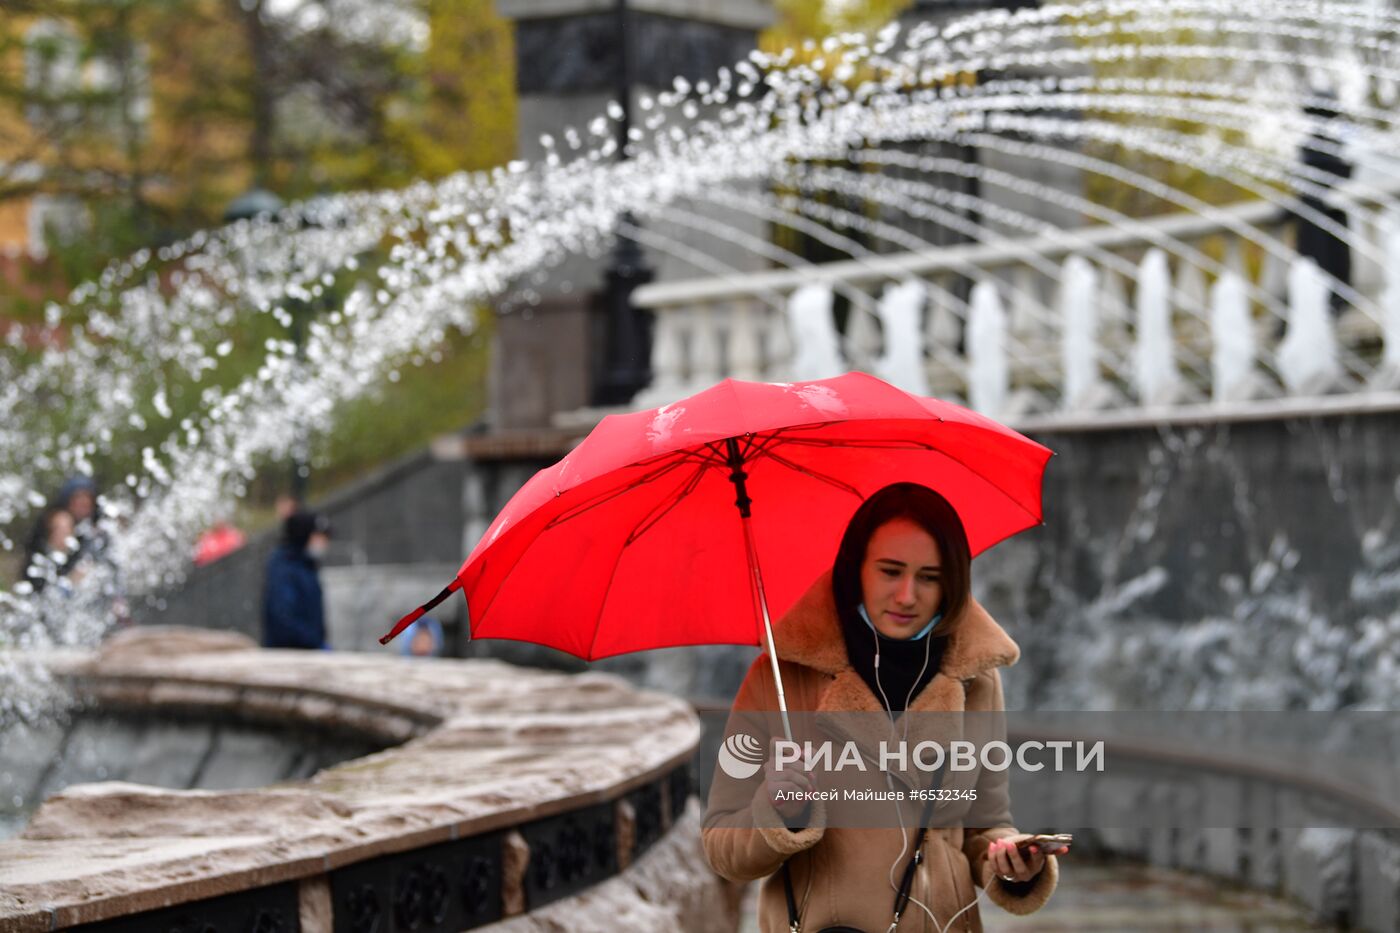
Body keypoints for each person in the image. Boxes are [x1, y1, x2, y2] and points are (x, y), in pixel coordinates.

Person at [703, 483, 1066, 932]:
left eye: (929, 577)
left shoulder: (977, 679)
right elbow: (721, 846)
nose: (907, 595)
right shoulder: (779, 676)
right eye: (891, 571)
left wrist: (1011, 862)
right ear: (857, 569)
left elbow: (984, 825)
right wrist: (779, 811)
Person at [261, 511, 331, 649]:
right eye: (319, 537)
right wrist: (314, 642)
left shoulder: (307, 565)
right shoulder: (285, 567)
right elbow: (283, 618)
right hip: (288, 654)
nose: (324, 543)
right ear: (305, 535)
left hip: (307, 650)